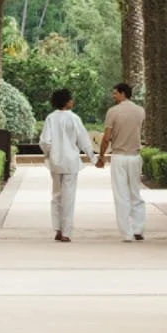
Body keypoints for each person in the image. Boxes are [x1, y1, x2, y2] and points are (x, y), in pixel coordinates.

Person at [38, 87, 94, 242]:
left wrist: (50, 154)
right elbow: (84, 140)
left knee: (56, 195)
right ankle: (66, 232)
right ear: (67, 102)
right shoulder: (74, 118)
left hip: (55, 163)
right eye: (71, 99)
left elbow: (44, 141)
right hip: (70, 162)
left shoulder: (50, 118)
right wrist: (94, 158)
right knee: (68, 196)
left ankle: (57, 229)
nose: (73, 101)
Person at [95, 82, 147, 242]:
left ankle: (127, 233)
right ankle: (138, 228)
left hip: (119, 156)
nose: (113, 96)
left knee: (121, 195)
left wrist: (101, 156)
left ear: (123, 93)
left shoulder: (113, 112)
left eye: (115, 93)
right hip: (135, 156)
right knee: (135, 193)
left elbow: (107, 137)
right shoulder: (140, 111)